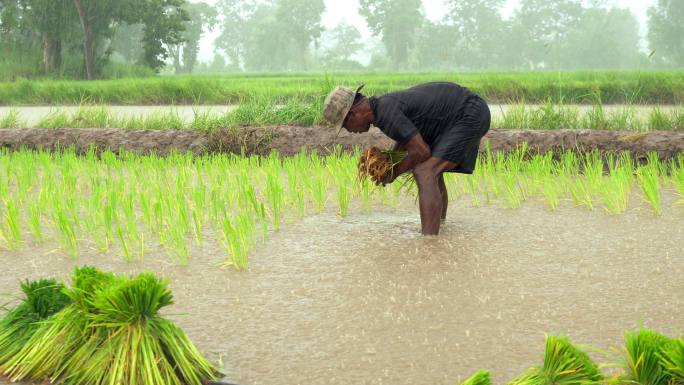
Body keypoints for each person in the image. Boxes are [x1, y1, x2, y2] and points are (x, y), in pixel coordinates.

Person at [323, 82, 491, 235]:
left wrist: (392, 173)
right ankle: (441, 226)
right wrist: (391, 163)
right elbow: (407, 141)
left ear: (353, 114)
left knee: (425, 171)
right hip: (463, 113)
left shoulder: (385, 112)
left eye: (345, 126)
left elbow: (421, 152)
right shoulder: (384, 107)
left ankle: (429, 243)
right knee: (432, 172)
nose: (350, 131)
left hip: (468, 113)